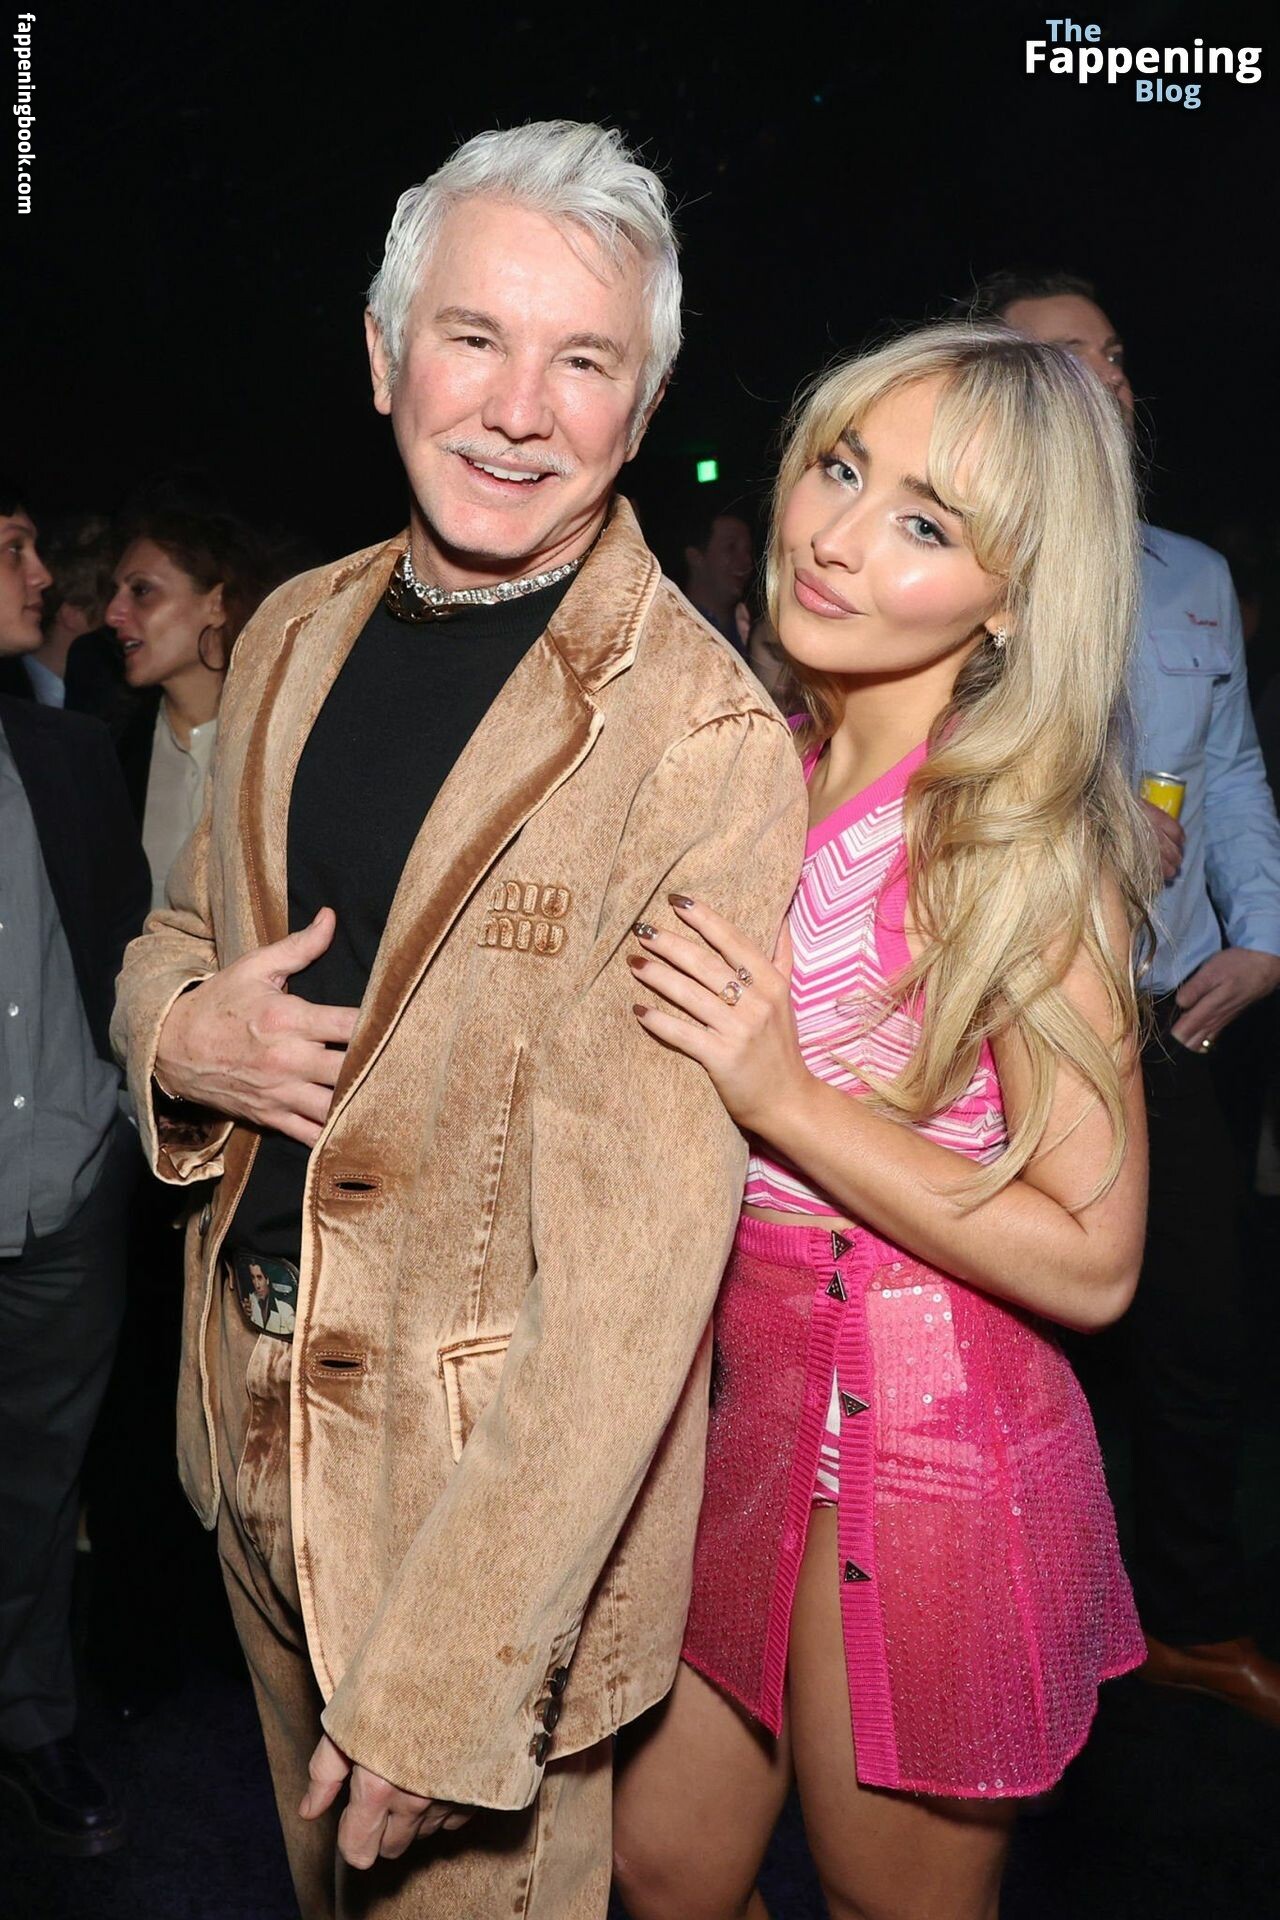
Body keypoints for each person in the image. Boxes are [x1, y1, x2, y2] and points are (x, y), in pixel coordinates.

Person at [111, 121, 806, 1919]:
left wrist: (453, 1675)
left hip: (475, 1526)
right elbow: (177, 929)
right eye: (475, 337)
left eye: (583, 361)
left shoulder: (703, 743)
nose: (517, 410)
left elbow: (640, 1274)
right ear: (382, 353)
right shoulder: (289, 633)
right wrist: (177, 1037)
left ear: (642, 409)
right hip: (243, 1428)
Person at [612, 323, 1154, 1920]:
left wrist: (780, 1094)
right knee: (661, 1867)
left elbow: (1097, 1258)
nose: (837, 537)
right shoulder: (762, 768)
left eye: (925, 522)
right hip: (747, 1403)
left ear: (1013, 596)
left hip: (931, 1442)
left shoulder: (1013, 842)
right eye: (840, 470)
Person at [969, 269, 1280, 1726]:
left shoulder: (1191, 577)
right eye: (1063, 358)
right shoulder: (957, 571)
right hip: (1003, 1025)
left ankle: (1191, 1621)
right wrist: (1078, 833)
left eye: (1111, 355)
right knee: (1032, 1352)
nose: (1103, 379)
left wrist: (1262, 932)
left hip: (1161, 1017)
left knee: (1199, 1334)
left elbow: (1227, 772)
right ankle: (1027, 1623)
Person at [0, 482, 150, 1855]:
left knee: (42, 1493)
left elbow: (123, 956)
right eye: (12, 549)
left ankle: (31, 1717)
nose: (43, 574)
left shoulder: (70, 755)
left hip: (66, 1200)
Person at [105, 508, 269, 906]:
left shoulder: (278, 741)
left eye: (141, 591)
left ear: (217, 603)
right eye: (114, 592)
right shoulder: (113, 753)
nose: (112, 614)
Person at [681, 499, 756, 655]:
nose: (747, 560)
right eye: (731, 547)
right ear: (695, 557)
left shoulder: (750, 633)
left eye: (748, 551)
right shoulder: (673, 627)